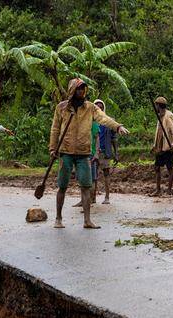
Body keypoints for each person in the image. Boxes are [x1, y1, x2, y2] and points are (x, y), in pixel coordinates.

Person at [50, 78, 130, 229]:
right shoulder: (61, 108)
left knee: (86, 186)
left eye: (83, 89)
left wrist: (117, 126)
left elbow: (103, 118)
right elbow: (55, 129)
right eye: (79, 89)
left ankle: (87, 220)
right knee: (62, 186)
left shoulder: (90, 108)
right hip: (65, 151)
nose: (81, 91)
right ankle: (58, 218)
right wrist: (52, 148)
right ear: (72, 90)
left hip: (84, 153)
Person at [75, 99, 118, 207]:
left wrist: (116, 153)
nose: (99, 108)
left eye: (101, 107)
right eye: (97, 107)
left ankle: (107, 197)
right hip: (92, 151)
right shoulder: (90, 121)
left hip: (104, 151)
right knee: (91, 176)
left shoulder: (109, 121)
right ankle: (91, 198)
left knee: (106, 174)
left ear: (103, 108)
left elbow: (114, 138)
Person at [151, 96, 173, 197]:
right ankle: (158, 190)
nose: (155, 107)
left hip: (168, 147)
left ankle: (169, 191)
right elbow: (158, 132)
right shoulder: (159, 116)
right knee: (157, 167)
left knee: (170, 168)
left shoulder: (169, 116)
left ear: (159, 105)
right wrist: (154, 145)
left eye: (156, 105)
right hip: (160, 147)